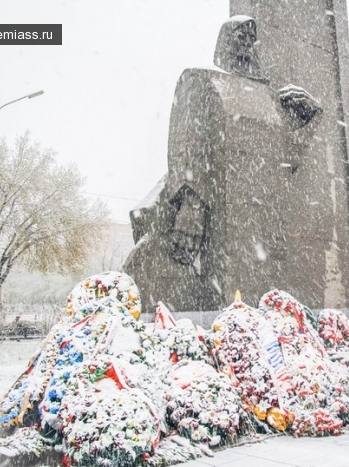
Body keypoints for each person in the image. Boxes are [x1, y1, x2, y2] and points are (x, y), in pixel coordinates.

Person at [124, 16, 323, 312]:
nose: (245, 42)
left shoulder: (270, 99)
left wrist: (309, 118)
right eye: (238, 34)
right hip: (214, 215)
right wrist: (190, 207)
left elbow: (286, 164)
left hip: (261, 226)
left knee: (254, 301)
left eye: (249, 36)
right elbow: (186, 145)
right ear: (224, 40)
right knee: (211, 299)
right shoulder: (200, 78)